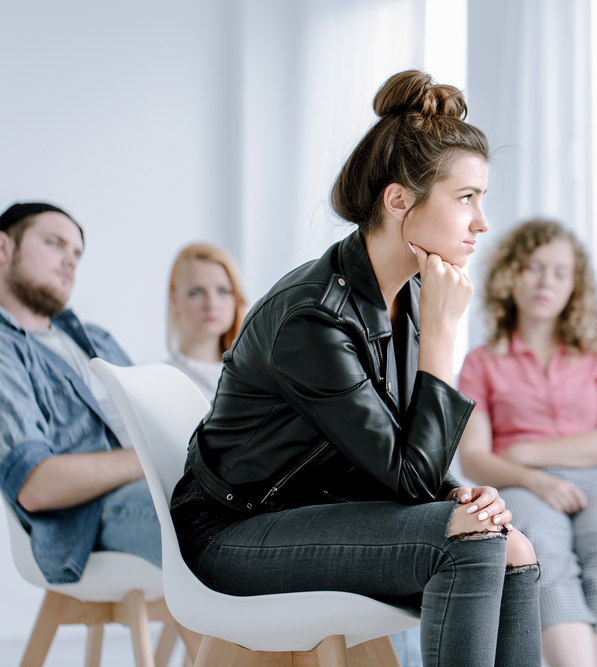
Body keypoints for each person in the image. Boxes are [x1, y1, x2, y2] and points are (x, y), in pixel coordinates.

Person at [170, 70, 541, 667]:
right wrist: (446, 334)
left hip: (317, 510)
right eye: (466, 198)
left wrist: (463, 494)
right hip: (234, 531)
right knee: (470, 543)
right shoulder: (313, 320)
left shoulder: (413, 291)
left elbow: (397, 463)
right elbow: (408, 477)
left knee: (514, 547)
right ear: (400, 200)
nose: (482, 223)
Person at [458, 219, 597, 667]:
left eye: (560, 272)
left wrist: (528, 452)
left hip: (595, 481)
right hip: (520, 484)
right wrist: (531, 477)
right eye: (534, 268)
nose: (546, 282)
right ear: (510, 274)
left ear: (575, 285)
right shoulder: (480, 362)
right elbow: (476, 458)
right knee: (542, 550)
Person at [0, 202, 160, 584]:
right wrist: (154, 458)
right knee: (207, 519)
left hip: (164, 483)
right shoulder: (6, 348)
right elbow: (36, 486)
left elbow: (157, 417)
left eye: (77, 254)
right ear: (3, 249)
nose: (71, 262)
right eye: (54, 244)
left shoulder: (98, 338)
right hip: (89, 515)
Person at [165, 243, 247, 402]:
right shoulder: (154, 380)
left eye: (223, 291)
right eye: (196, 292)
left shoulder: (257, 376)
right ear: (174, 299)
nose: (211, 304)